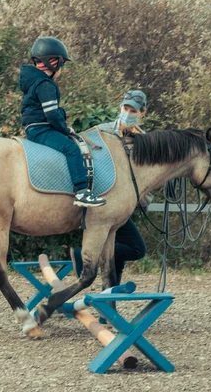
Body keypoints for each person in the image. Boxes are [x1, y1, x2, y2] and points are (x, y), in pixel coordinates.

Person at [70, 90, 150, 284]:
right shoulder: (102, 132)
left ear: (143, 113)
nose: (128, 113)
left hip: (126, 204)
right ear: (120, 108)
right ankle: (83, 256)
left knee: (119, 255)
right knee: (136, 248)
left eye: (133, 110)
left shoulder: (146, 142)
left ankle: (109, 297)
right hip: (105, 201)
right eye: (125, 108)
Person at [19, 37, 106, 208]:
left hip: (34, 127)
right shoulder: (45, 84)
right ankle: (82, 192)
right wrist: (65, 129)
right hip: (42, 129)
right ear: (53, 63)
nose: (62, 69)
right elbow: (52, 114)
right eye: (61, 63)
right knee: (71, 149)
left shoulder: (33, 82)